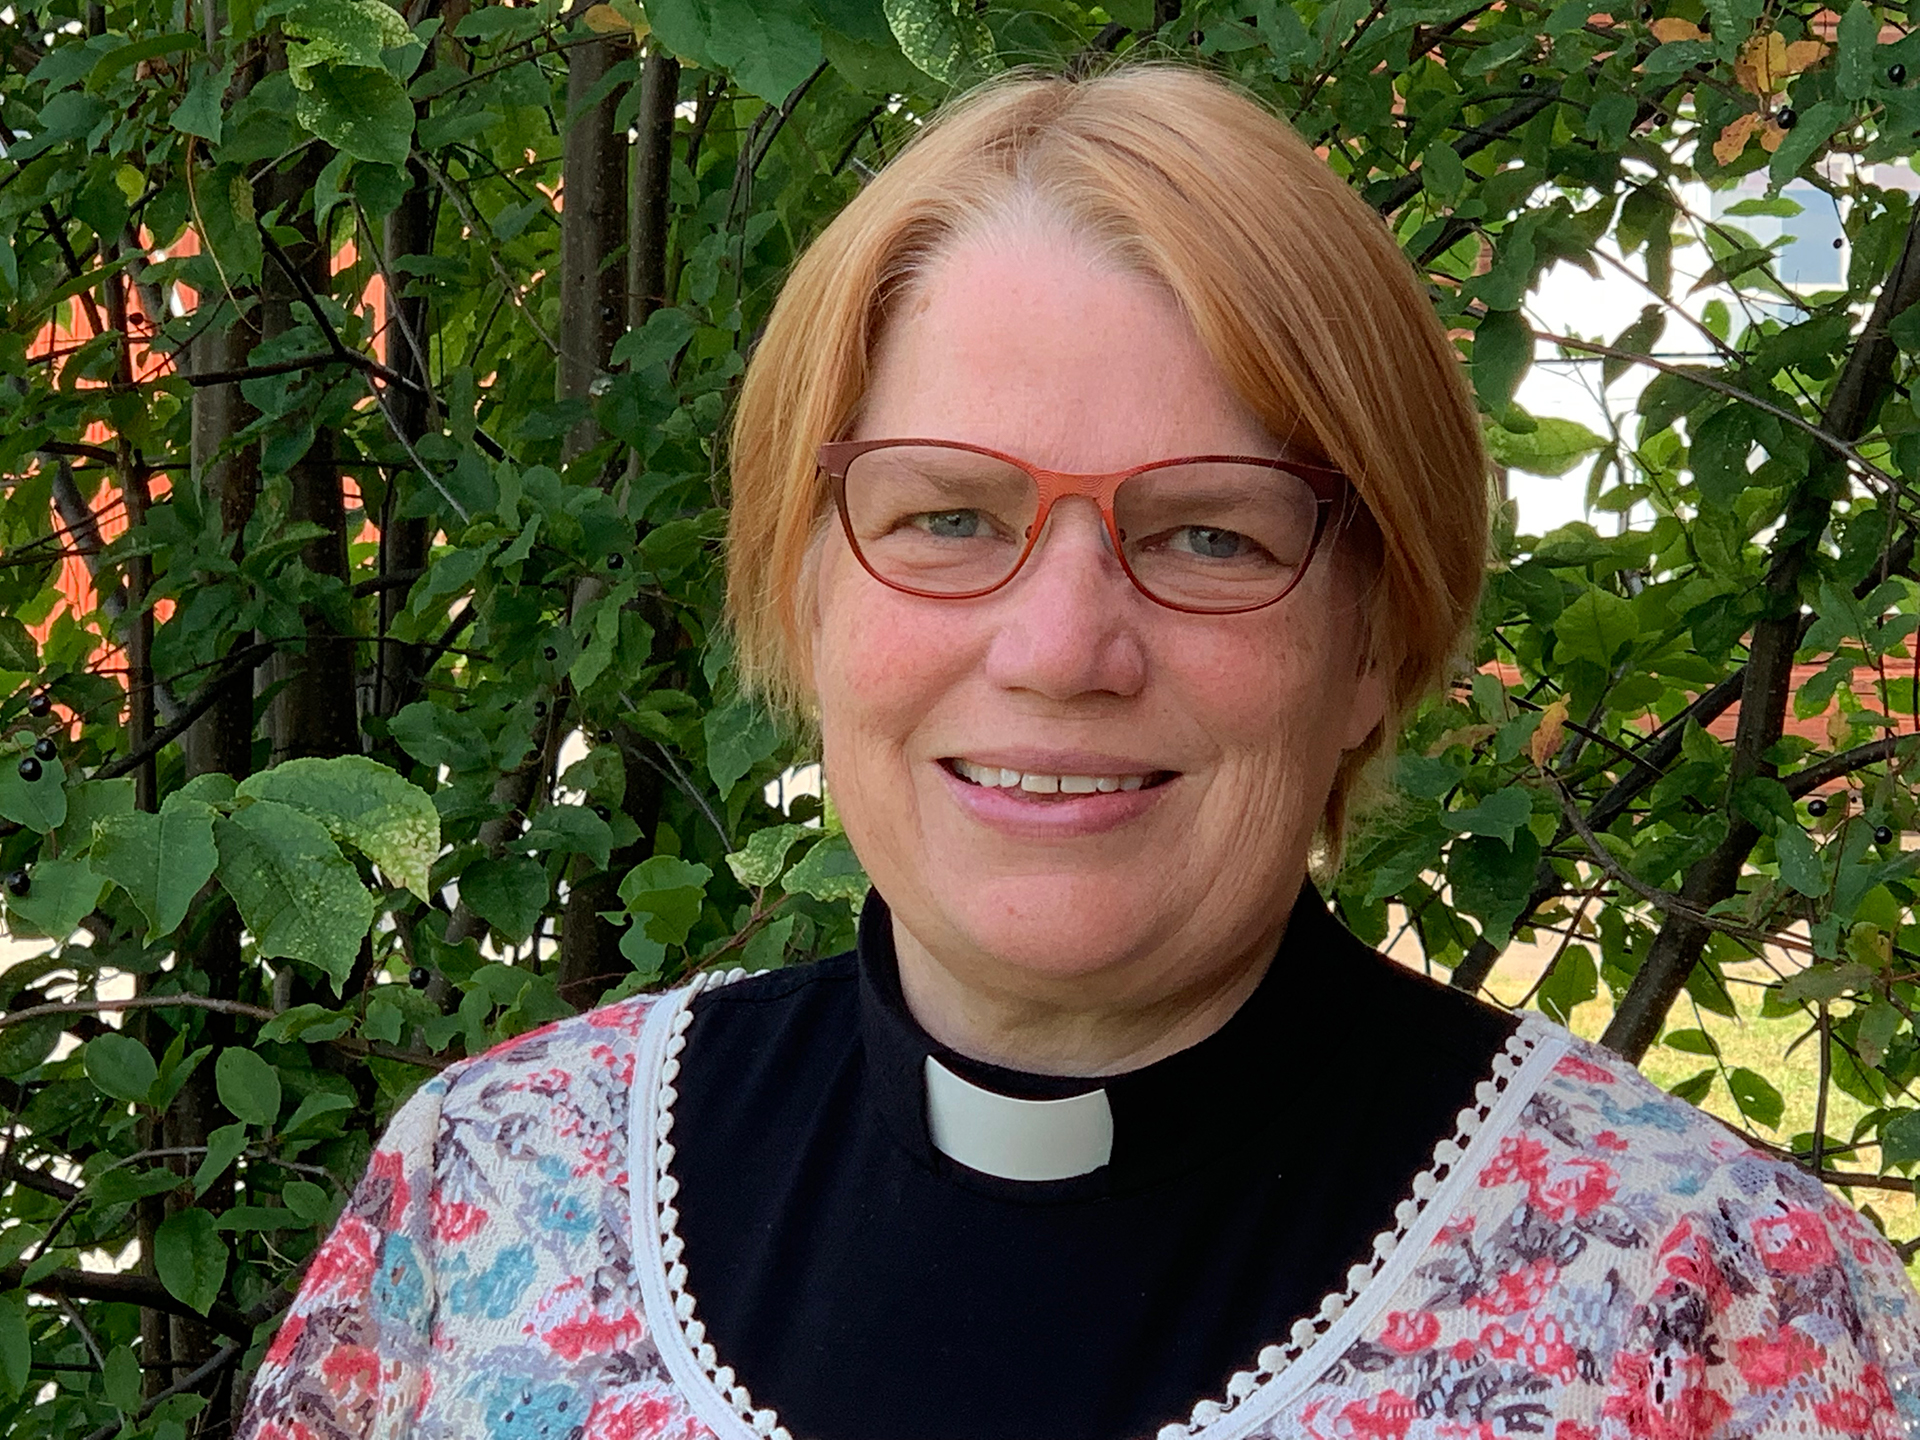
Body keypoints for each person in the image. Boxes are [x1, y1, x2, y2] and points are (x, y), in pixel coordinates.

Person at [237, 63, 1920, 1440]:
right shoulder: (493, 1192)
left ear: (1374, 641)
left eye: (1208, 535)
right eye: (950, 516)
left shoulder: (1713, 1303)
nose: (1058, 649)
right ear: (804, 588)